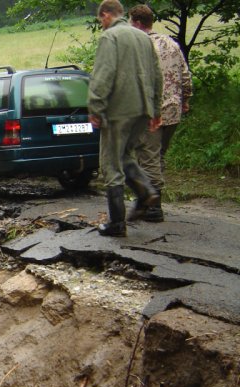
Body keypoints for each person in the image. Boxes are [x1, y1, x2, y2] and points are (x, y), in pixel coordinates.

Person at [88, 0, 163, 237]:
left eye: (101, 19)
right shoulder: (143, 37)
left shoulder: (110, 38)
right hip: (143, 108)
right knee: (126, 155)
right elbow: (157, 75)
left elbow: (103, 74)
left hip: (119, 110)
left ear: (107, 15)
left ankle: (117, 223)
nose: (101, 24)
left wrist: (96, 108)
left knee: (111, 163)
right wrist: (156, 110)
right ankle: (147, 192)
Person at [129, 4, 193, 222]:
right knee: (158, 156)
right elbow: (185, 75)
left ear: (137, 23)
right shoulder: (170, 43)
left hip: (150, 112)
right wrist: (185, 100)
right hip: (173, 110)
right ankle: (149, 199)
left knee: (147, 159)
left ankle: (153, 206)